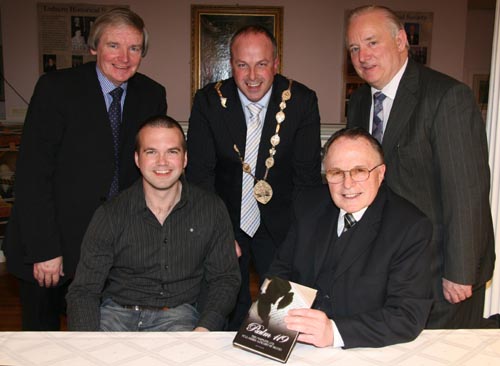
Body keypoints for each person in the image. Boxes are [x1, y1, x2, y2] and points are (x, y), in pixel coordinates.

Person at [2, 7, 167, 330]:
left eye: (134, 48)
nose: (124, 57)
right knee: (42, 341)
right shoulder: (56, 89)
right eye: (113, 46)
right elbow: (33, 175)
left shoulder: (152, 95)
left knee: (102, 336)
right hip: (51, 243)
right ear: (94, 48)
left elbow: (150, 171)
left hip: (115, 247)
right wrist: (45, 249)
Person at [345, 5, 495, 329]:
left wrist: (460, 272)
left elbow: (467, 192)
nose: (362, 55)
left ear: (401, 40)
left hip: (441, 272)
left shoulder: (447, 97)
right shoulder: (358, 103)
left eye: (372, 42)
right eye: (354, 48)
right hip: (384, 268)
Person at [186, 25, 322, 330]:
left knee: (279, 322)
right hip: (225, 220)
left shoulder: (301, 101)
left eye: (261, 64)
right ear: (230, 64)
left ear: (275, 63)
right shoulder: (209, 101)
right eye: (242, 65)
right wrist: (217, 232)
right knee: (222, 309)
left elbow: (307, 180)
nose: (252, 76)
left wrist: (298, 236)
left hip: (281, 225)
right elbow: (200, 176)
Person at [66, 116, 240, 331]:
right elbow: (84, 290)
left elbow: (225, 279)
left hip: (179, 317)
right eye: (151, 152)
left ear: (185, 159)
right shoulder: (110, 214)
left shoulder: (211, 209)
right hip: (115, 315)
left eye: (172, 152)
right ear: (137, 159)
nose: (162, 162)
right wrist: (87, 344)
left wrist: (204, 329)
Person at [268, 127, 433, 348]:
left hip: (366, 347)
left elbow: (407, 316)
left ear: (381, 173)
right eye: (336, 172)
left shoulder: (410, 227)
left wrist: (334, 332)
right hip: (296, 342)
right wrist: (275, 320)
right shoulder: (308, 206)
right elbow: (281, 272)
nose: (347, 184)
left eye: (359, 171)